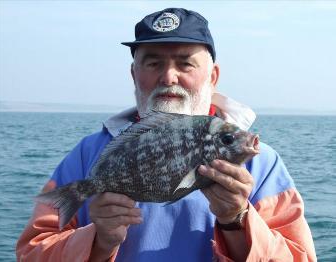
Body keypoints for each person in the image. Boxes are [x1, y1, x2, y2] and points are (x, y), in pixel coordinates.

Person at [17, 8, 316, 261]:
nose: (169, 77)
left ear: (212, 77)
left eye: (185, 63)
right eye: (153, 63)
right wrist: (98, 241)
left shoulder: (263, 164)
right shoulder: (86, 154)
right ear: (135, 74)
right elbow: (31, 252)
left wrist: (238, 220)